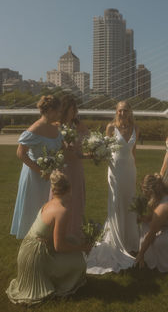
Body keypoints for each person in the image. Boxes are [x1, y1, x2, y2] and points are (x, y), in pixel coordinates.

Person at [6, 170, 90, 305]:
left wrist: (77, 244)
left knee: (73, 240)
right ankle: (53, 280)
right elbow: (59, 246)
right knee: (79, 263)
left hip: (27, 249)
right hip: (35, 258)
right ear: (69, 189)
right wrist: (83, 247)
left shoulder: (49, 203)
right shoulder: (62, 211)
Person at [87, 100, 140, 274]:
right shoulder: (111, 128)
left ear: (130, 112)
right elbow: (104, 149)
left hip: (129, 171)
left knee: (129, 204)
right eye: (119, 111)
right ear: (116, 112)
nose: (122, 113)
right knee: (116, 204)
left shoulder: (135, 128)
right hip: (115, 171)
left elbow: (133, 152)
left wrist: (135, 171)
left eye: (125, 110)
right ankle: (116, 241)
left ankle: (130, 241)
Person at [10, 95, 62, 239]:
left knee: (46, 209)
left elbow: (60, 148)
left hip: (48, 177)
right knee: (33, 209)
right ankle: (31, 245)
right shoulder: (35, 128)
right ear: (50, 110)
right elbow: (20, 153)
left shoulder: (55, 128)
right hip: (34, 176)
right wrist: (40, 171)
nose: (59, 114)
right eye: (58, 111)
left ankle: (44, 241)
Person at [58, 94, 89, 239]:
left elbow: (88, 139)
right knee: (63, 199)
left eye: (75, 109)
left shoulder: (78, 125)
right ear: (65, 110)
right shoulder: (57, 126)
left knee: (77, 199)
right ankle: (61, 232)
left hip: (77, 167)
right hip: (63, 167)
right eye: (71, 109)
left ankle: (75, 231)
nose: (74, 112)